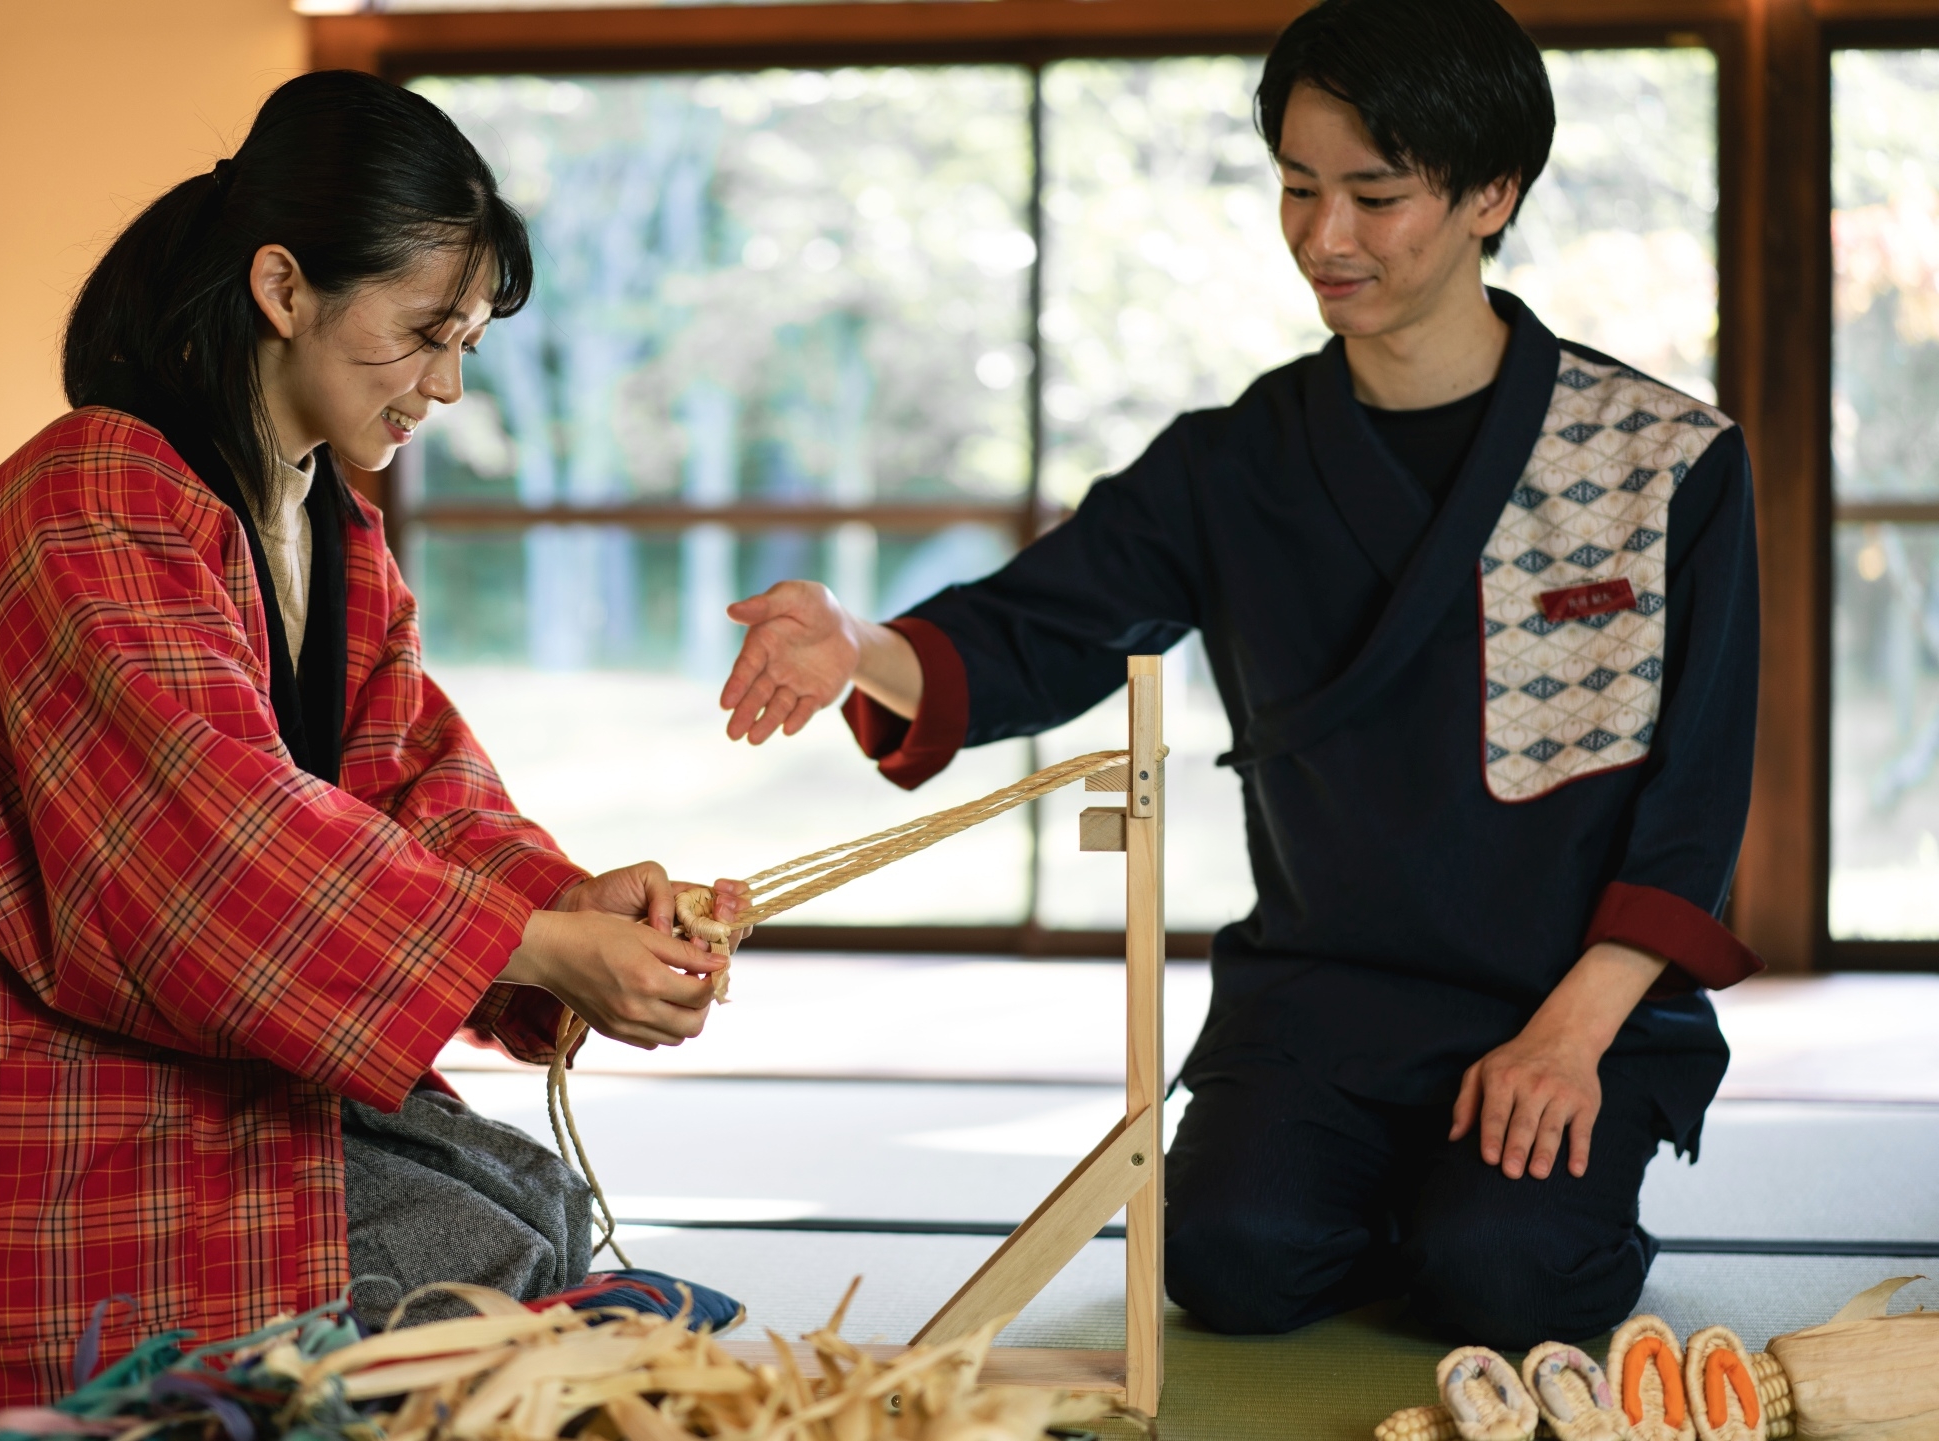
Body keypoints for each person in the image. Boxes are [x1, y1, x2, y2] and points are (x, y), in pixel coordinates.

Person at [718, 0, 1759, 1348]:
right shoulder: (1233, 464)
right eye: (1298, 188)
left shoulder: (1664, 459)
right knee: (1228, 1258)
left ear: (1493, 193)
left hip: (1568, 1002)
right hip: (1326, 1005)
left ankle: (1491, 1205)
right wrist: (854, 645)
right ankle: (1409, 1193)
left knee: (1501, 1280)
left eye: (1375, 196)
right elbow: (1035, 627)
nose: (1326, 238)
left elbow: (1701, 790)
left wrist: (1575, 1035)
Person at [0, 71, 744, 1440]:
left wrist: (574, 909)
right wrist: (519, 945)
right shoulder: (87, 498)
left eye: (465, 340)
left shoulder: (331, 531)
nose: (448, 384)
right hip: (8, 1107)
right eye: (422, 331)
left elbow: (420, 789)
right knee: (485, 1281)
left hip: (165, 1064)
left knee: (535, 1210)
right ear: (284, 287)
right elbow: (207, 847)